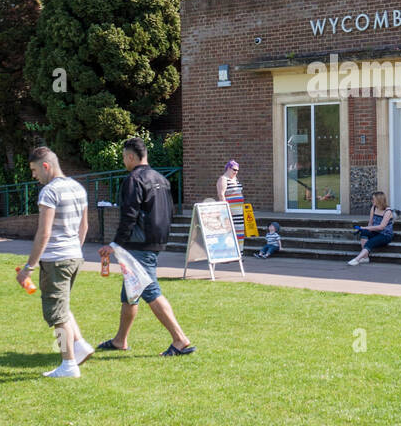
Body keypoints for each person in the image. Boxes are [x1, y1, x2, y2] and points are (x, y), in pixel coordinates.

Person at [96, 137, 195, 356]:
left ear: (131, 156)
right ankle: (120, 340)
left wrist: (114, 244)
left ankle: (180, 339)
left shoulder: (133, 180)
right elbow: (170, 212)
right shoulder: (162, 179)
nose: (124, 161)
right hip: (154, 241)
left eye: (123, 157)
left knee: (150, 290)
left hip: (138, 244)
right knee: (130, 294)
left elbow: (129, 215)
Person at [18, 146, 95, 378]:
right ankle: (80, 346)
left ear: (45, 166)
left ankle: (68, 364)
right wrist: (74, 250)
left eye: (34, 170)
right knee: (63, 306)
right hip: (74, 256)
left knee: (56, 315)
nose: (34, 176)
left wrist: (28, 267)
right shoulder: (78, 187)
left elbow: (44, 232)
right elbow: (85, 227)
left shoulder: (49, 192)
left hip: (56, 260)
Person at [348, 191, 394, 265]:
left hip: (385, 235)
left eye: (373, 199)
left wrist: (366, 228)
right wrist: (364, 229)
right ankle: (365, 258)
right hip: (375, 232)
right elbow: (370, 222)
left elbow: (381, 227)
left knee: (370, 242)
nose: (372, 201)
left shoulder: (388, 211)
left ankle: (357, 259)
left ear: (379, 200)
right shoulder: (374, 208)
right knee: (364, 232)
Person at [216, 159, 245, 249]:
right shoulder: (223, 179)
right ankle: (229, 253)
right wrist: (226, 211)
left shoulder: (235, 179)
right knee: (229, 233)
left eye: (237, 170)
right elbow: (221, 195)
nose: (236, 172)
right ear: (228, 168)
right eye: (234, 170)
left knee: (239, 232)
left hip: (239, 211)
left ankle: (239, 253)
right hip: (230, 211)